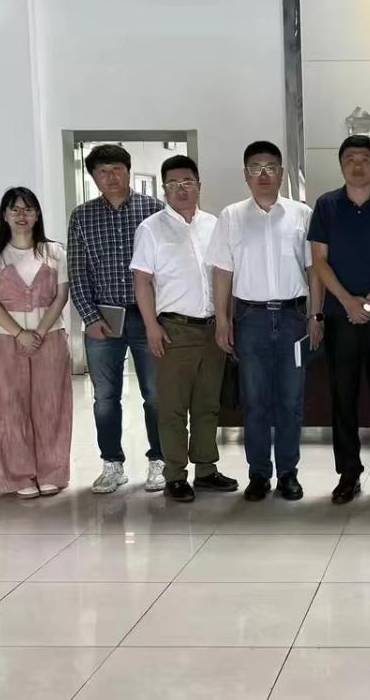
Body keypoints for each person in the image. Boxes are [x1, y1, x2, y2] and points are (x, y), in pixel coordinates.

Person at [209, 141, 320, 502]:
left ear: (282, 173)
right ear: (245, 174)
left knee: (290, 401)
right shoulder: (230, 216)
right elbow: (222, 272)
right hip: (250, 318)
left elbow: (314, 270)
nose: (263, 174)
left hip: (293, 318)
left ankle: (288, 473)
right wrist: (222, 319)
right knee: (255, 401)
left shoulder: (302, 214)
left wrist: (316, 315)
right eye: (255, 167)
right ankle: (259, 473)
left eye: (271, 167)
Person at [309, 135, 370, 505]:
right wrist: (346, 302)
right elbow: (319, 262)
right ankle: (348, 473)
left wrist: (368, 303)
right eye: (350, 158)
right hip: (340, 318)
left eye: (365, 158)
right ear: (341, 165)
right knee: (343, 398)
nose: (357, 164)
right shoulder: (326, 206)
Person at [131, 155, 238, 502]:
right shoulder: (151, 228)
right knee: (173, 408)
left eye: (187, 182)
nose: (181, 188)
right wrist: (151, 325)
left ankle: (206, 469)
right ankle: (175, 474)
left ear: (199, 185)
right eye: (173, 183)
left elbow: (225, 275)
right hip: (174, 329)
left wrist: (224, 320)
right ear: (164, 189)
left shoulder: (215, 225)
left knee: (207, 404)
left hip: (213, 328)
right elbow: (141, 282)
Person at [68, 144, 165, 494]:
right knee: (105, 398)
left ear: (128, 170)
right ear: (93, 177)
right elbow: (77, 271)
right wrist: (89, 317)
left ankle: (159, 461)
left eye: (116, 169)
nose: (110, 177)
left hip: (147, 317)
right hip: (103, 317)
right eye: (102, 171)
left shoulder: (155, 210)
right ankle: (112, 464)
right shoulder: (82, 216)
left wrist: (160, 318)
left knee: (156, 394)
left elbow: (167, 269)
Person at [0, 188, 73, 498]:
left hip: (50, 337)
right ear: (4, 215)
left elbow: (61, 295)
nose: (22, 215)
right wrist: (20, 334)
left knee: (51, 406)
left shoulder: (54, 251)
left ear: (37, 215)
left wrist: (39, 333)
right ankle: (18, 476)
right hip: (6, 340)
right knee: (9, 407)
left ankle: (51, 472)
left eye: (28, 209)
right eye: (15, 209)